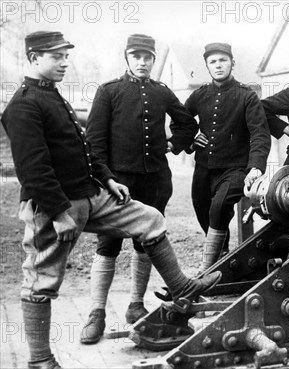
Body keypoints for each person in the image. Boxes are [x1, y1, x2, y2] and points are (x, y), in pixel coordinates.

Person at [1, 31, 221, 369]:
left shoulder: (51, 95)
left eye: (65, 56)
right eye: (56, 57)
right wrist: (59, 213)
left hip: (91, 195)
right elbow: (33, 170)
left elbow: (84, 149)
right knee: (40, 281)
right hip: (54, 205)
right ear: (33, 59)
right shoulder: (24, 104)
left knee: (149, 219)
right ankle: (40, 360)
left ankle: (182, 287)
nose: (64, 62)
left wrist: (107, 180)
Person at [81, 34, 199, 343]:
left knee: (146, 242)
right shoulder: (109, 91)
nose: (143, 61)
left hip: (156, 181)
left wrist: (173, 144)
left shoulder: (162, 92)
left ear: (153, 59)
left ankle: (136, 304)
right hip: (118, 182)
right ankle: (97, 313)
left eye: (148, 56)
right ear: (127, 58)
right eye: (137, 56)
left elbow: (187, 124)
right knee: (107, 245)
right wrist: (106, 179)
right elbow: (93, 143)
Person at [184, 43, 270, 274]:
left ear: (233, 63)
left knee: (220, 206)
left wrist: (255, 167)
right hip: (204, 168)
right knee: (203, 209)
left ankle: (205, 270)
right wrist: (191, 139)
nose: (218, 65)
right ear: (207, 66)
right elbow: (180, 120)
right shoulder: (199, 95)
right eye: (213, 62)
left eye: (223, 60)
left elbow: (260, 134)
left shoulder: (246, 96)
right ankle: (221, 262)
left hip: (235, 169)